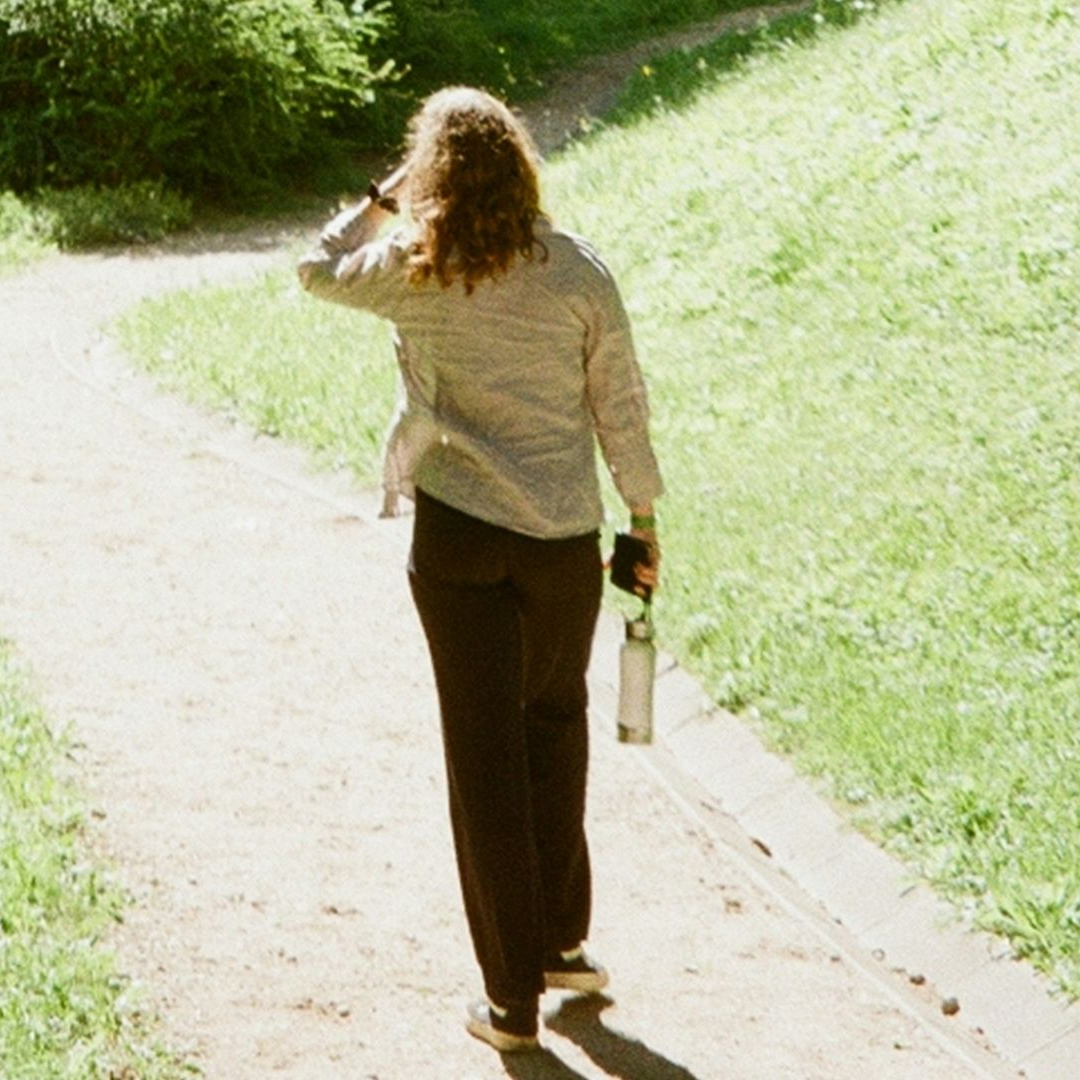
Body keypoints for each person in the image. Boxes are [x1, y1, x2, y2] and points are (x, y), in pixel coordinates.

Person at [297, 86, 663, 1053]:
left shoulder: (418, 269)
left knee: (483, 759)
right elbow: (621, 406)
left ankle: (509, 1005)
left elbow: (313, 265)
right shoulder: (581, 275)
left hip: (459, 541)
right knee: (555, 731)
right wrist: (643, 519)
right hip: (563, 547)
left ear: (435, 175)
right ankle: (561, 944)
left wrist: (382, 196)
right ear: (522, 165)